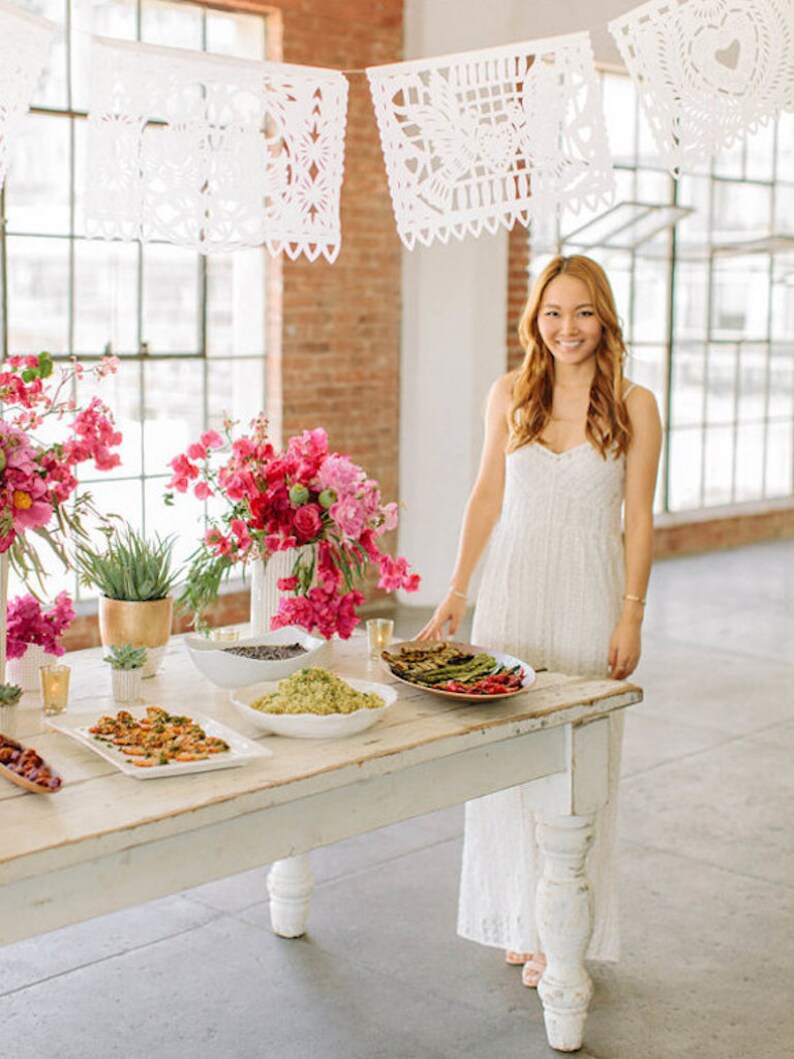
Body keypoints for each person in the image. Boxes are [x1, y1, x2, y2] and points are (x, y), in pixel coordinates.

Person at [417, 254, 662, 986]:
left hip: (590, 593)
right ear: (535, 321)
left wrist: (633, 615)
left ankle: (567, 927)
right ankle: (525, 916)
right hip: (514, 594)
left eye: (582, 311)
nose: (567, 327)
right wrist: (458, 589)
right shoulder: (509, 394)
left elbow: (640, 520)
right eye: (552, 312)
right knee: (510, 758)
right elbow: (487, 494)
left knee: (578, 763)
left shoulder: (634, 404)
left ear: (605, 318)